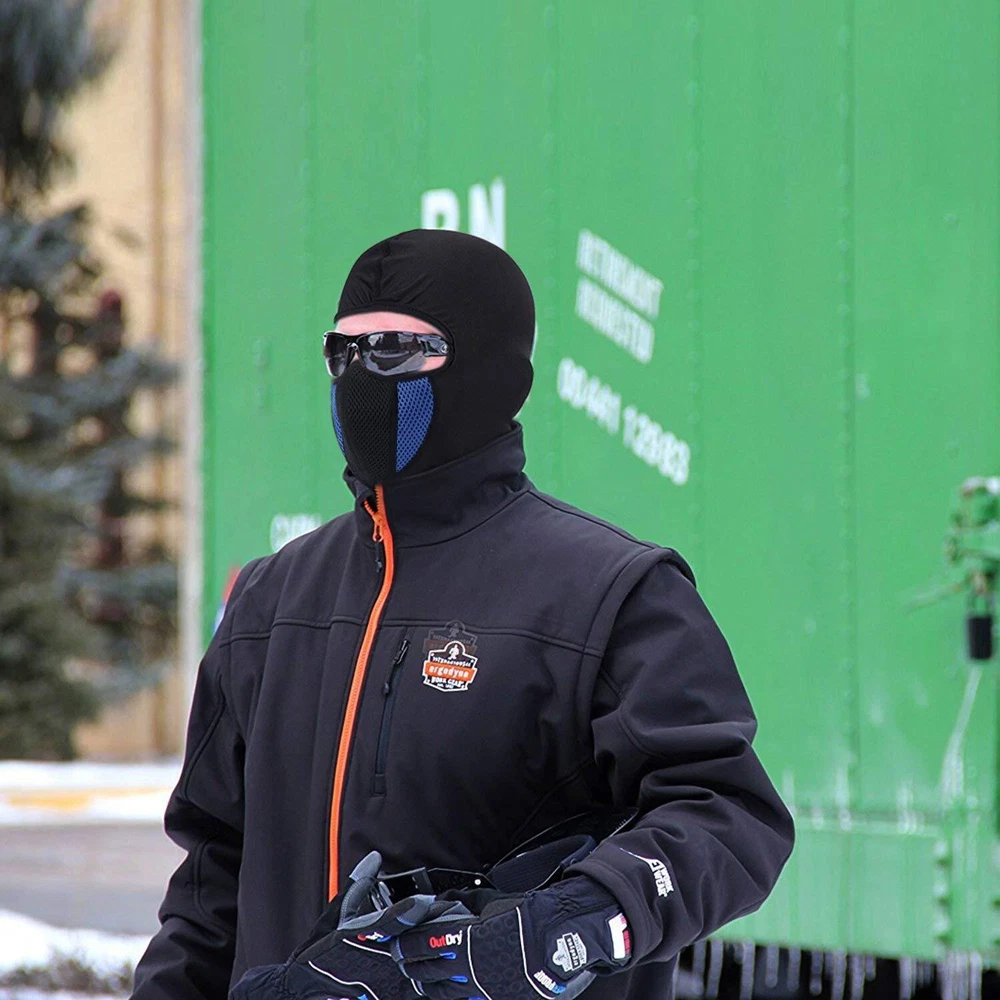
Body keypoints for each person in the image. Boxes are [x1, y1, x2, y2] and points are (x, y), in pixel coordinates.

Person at [131, 229, 794, 1000]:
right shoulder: (273, 601)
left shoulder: (608, 590)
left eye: (395, 351)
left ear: (489, 367)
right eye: (343, 352)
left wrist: (570, 923)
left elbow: (727, 815)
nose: (362, 376)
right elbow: (213, 881)